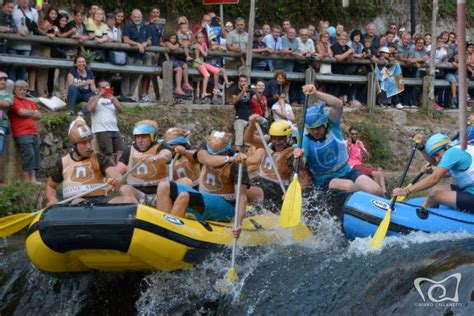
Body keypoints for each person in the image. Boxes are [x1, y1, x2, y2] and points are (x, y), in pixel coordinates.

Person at [155, 131, 251, 238]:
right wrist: (229, 158)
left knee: (185, 196)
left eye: (218, 153)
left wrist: (238, 223)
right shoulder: (205, 148)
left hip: (226, 205)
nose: (214, 155)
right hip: (204, 196)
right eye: (211, 152)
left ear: (227, 150)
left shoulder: (237, 165)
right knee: (164, 186)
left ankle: (169, 234)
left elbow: (242, 197)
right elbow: (206, 159)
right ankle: (161, 225)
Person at [292, 84, 383, 195]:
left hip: (347, 171)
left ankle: (386, 208)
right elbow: (301, 164)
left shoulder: (332, 126)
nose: (315, 132)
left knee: (375, 189)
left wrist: (316, 93)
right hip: (325, 181)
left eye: (318, 128)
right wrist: (298, 158)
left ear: (324, 124)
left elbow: (338, 105)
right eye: (312, 129)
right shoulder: (305, 140)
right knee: (351, 187)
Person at [44, 116, 135, 206]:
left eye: (89, 142)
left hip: (100, 200)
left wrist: (116, 178)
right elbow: (50, 186)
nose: (89, 146)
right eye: (84, 143)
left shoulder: (99, 158)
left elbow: (114, 173)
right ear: (74, 145)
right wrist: (52, 199)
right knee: (78, 201)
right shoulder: (62, 162)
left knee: (128, 200)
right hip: (75, 203)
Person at [393, 133, 474, 213]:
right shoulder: (455, 149)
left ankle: (417, 219)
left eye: (437, 154)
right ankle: (431, 215)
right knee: (437, 188)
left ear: (446, 147)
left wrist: (406, 191)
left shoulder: (453, 153)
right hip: (469, 190)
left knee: (434, 196)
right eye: (434, 156)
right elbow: (444, 169)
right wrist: (422, 148)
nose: (436, 159)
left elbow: (434, 178)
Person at [115, 120, 173, 207]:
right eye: (137, 137)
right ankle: (138, 212)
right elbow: (117, 172)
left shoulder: (162, 147)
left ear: (153, 137)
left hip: (159, 192)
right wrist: (113, 179)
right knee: (124, 188)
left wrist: (154, 158)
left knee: (168, 188)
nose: (140, 141)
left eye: (144, 137)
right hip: (138, 193)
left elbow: (166, 155)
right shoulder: (129, 151)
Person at [244, 116, 296, 209]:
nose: (277, 142)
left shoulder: (292, 152)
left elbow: (299, 169)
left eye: (281, 139)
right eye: (274, 139)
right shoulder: (268, 141)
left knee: (244, 190)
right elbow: (248, 139)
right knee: (239, 185)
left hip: (278, 189)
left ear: (288, 137)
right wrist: (252, 124)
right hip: (260, 181)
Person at [8, 80, 41, 184]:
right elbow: (21, 112)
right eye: (20, 89)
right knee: (29, 155)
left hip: (34, 132)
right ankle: (27, 180)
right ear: (15, 90)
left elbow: (39, 116)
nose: (22, 92)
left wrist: (28, 113)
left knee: (35, 155)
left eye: (24, 90)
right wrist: (32, 113)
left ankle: (34, 179)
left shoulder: (29, 101)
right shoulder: (13, 100)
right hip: (22, 133)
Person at [87, 80, 124, 162]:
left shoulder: (112, 98)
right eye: (103, 87)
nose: (105, 89)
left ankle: (119, 170)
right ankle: (111, 171)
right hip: (102, 130)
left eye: (107, 87)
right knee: (108, 153)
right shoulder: (93, 98)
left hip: (115, 129)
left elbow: (121, 110)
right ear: (98, 89)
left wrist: (114, 100)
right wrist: (99, 95)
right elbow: (89, 109)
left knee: (121, 151)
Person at [345, 126, 387, 195]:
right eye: (352, 134)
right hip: (353, 166)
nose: (354, 135)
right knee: (375, 174)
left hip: (360, 164)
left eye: (356, 134)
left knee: (380, 171)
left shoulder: (359, 143)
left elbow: (367, 156)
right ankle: (378, 195)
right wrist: (348, 147)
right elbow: (345, 157)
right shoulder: (346, 143)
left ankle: (384, 192)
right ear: (349, 135)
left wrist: (361, 147)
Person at [121, 9, 151, 102]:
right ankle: (124, 95)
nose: (137, 18)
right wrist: (137, 44)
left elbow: (150, 40)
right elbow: (125, 39)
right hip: (129, 55)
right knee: (127, 75)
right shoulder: (128, 26)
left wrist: (145, 43)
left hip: (140, 56)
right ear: (131, 17)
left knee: (136, 75)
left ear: (141, 17)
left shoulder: (144, 27)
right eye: (135, 17)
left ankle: (131, 95)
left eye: (138, 17)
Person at [193, 31, 231, 99]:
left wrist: (218, 47)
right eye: (199, 38)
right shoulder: (197, 45)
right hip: (197, 62)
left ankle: (216, 88)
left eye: (202, 37)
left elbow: (208, 50)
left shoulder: (203, 43)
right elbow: (205, 54)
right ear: (196, 39)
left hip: (201, 62)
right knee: (207, 75)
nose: (201, 39)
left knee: (217, 71)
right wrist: (204, 49)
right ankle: (203, 93)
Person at [232, 74, 253, 151]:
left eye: (245, 81)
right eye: (241, 81)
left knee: (248, 143)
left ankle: (247, 159)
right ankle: (237, 158)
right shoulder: (236, 91)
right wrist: (242, 92)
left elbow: (258, 100)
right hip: (239, 118)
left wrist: (256, 91)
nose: (243, 83)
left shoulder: (250, 91)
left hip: (249, 119)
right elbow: (234, 101)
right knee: (238, 142)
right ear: (238, 82)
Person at [0, 71, 12, 182]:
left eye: (5, 79)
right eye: (1, 79)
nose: (3, 81)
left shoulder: (8, 95)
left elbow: (7, 104)